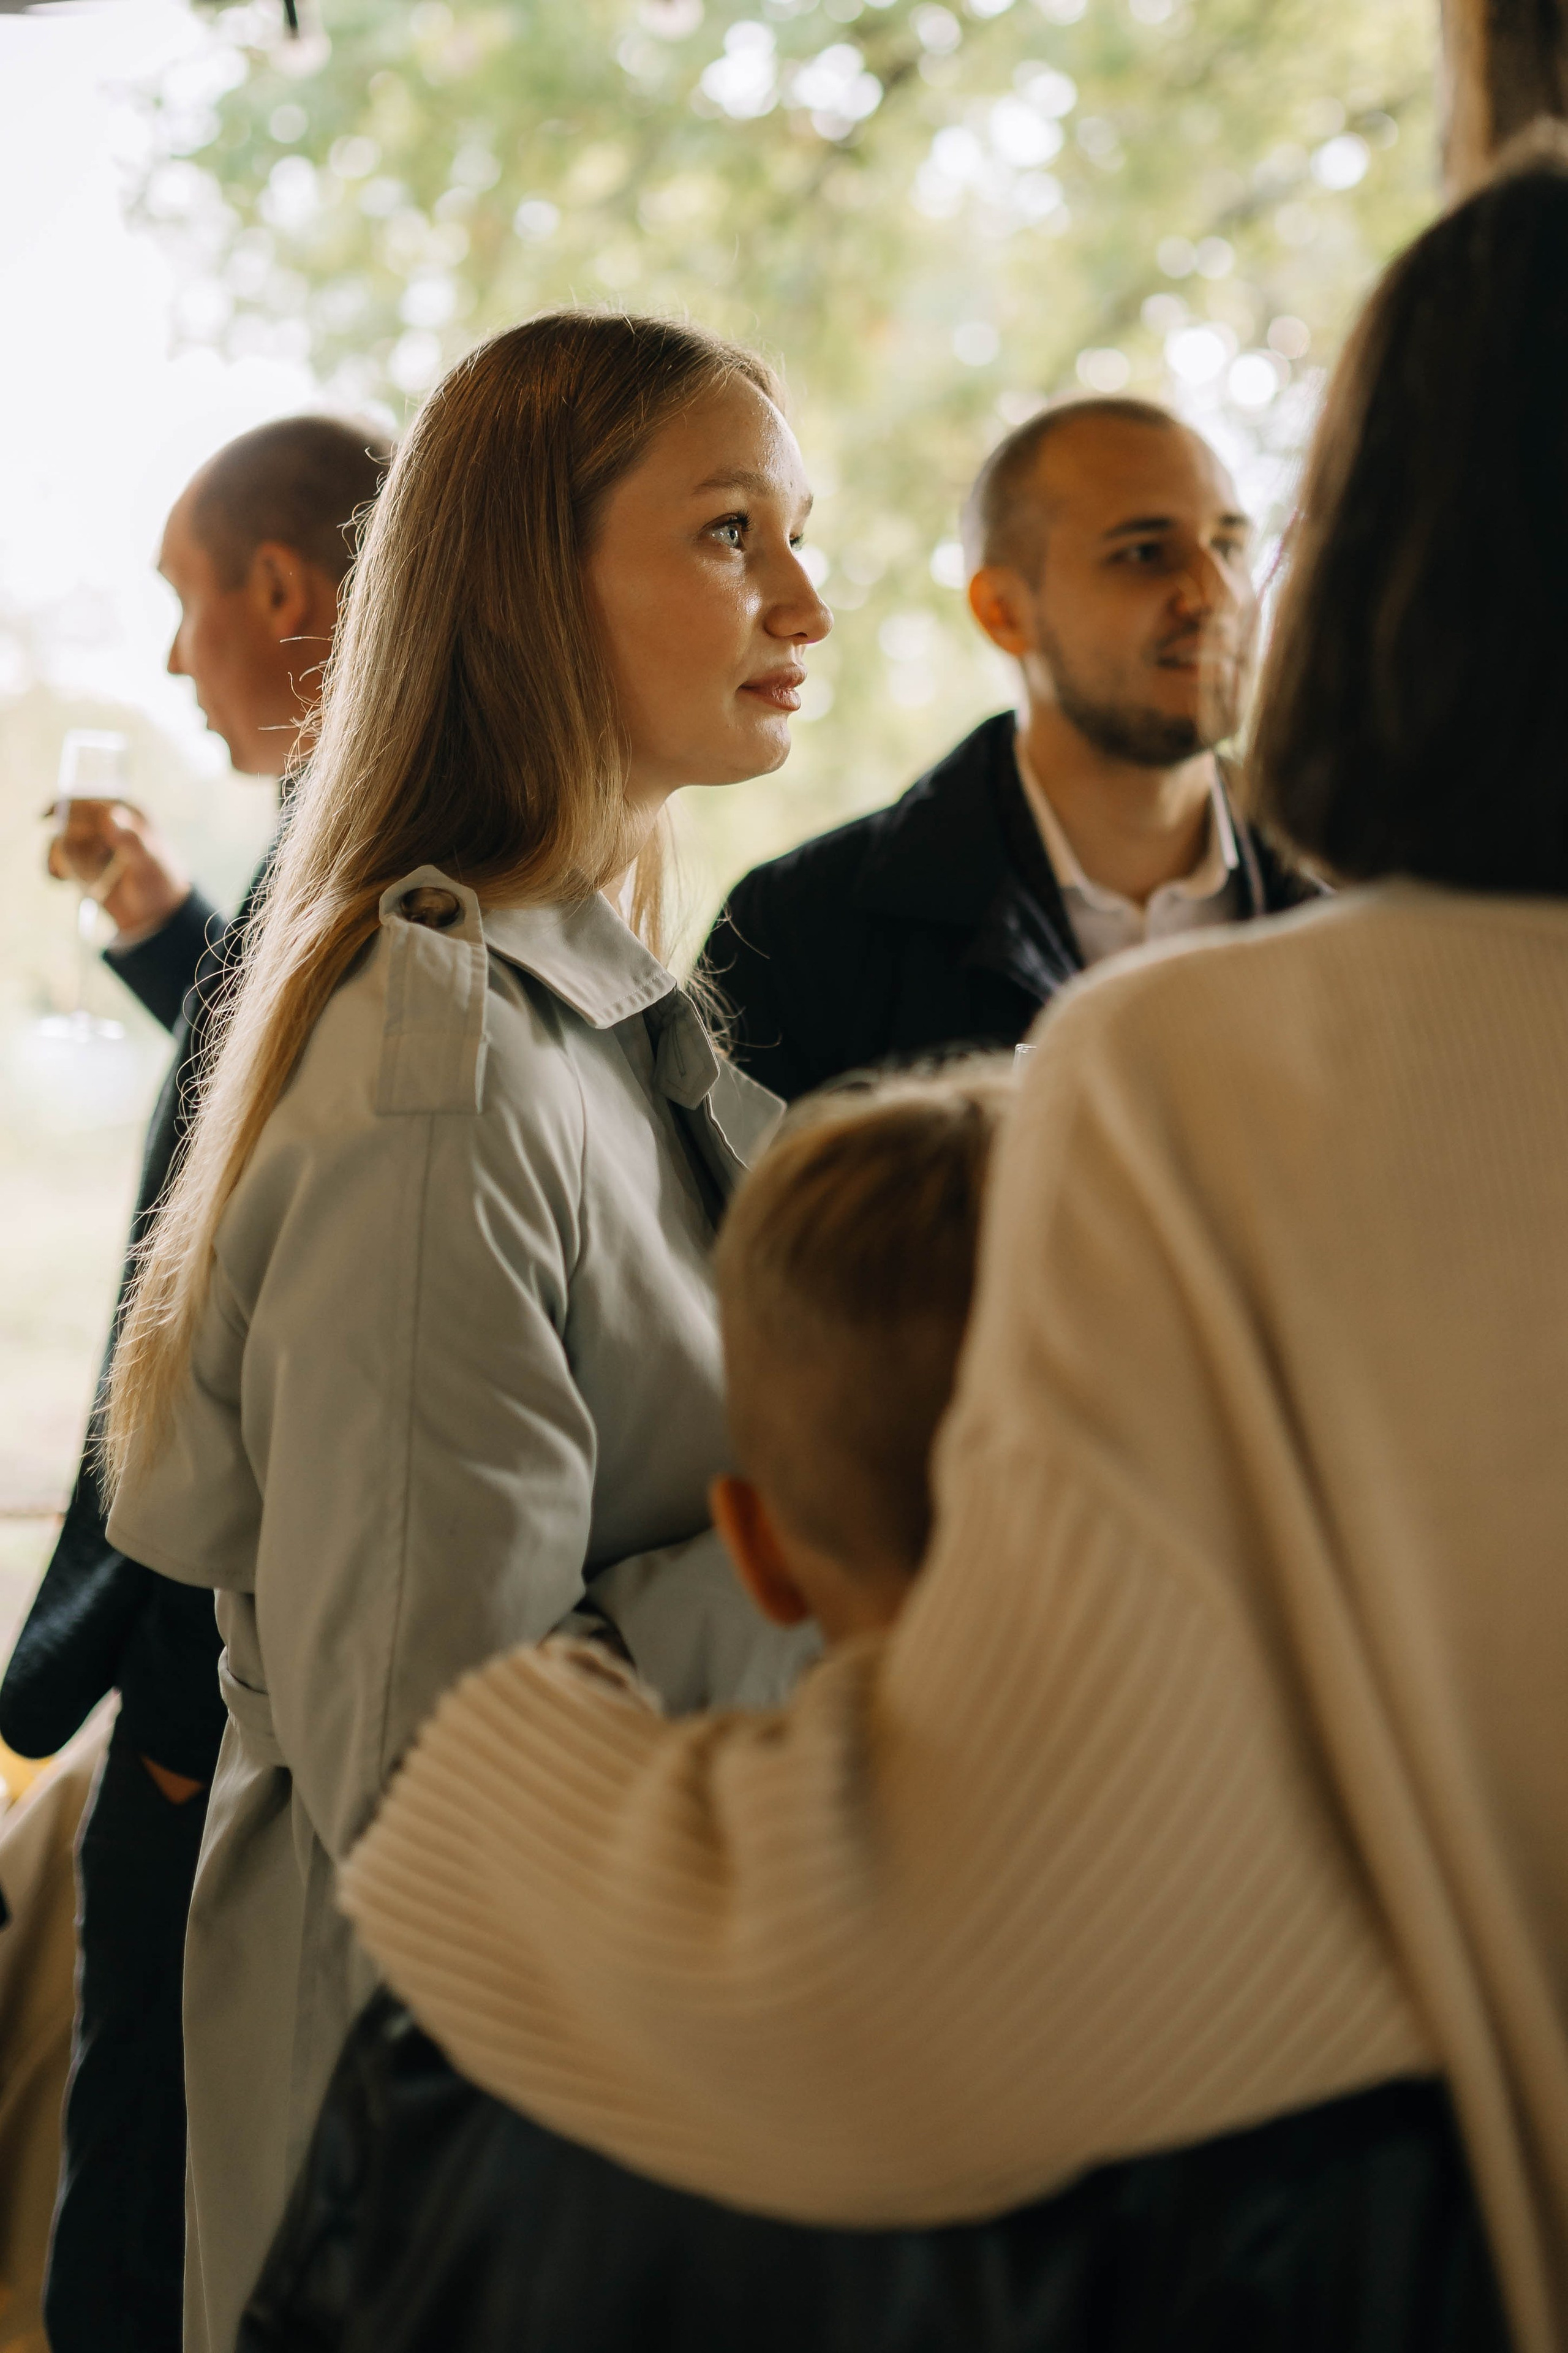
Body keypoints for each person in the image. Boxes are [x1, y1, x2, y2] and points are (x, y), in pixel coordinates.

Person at [340, 151, 1568, 2353]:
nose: (797, 608)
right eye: (736, 538)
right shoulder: (685, 977)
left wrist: (505, 1801)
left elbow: (1021, 1900)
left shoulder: (1196, 1068)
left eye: (1230, 537)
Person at [100, 312, 829, 2353]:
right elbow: (443, 1781)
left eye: (800, 530)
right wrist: (860, 1569)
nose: (805, 596)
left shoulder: (574, 1017)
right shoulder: (444, 1089)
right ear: (527, 581)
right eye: (727, 532)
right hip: (445, 2181)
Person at [0, 415, 391, 2353]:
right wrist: (164, 923)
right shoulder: (350, 841)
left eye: (182, 600)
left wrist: (165, 1724)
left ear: (282, 592)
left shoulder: (388, 859)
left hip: (214, 1705)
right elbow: (261, 1066)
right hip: (219, 1702)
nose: (171, 659)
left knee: (140, 2230)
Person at [702, 396, 1318, 1101]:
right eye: (1144, 553)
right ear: (1002, 610)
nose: (1215, 596)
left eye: (1230, 547)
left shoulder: (1363, 895)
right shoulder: (796, 937)